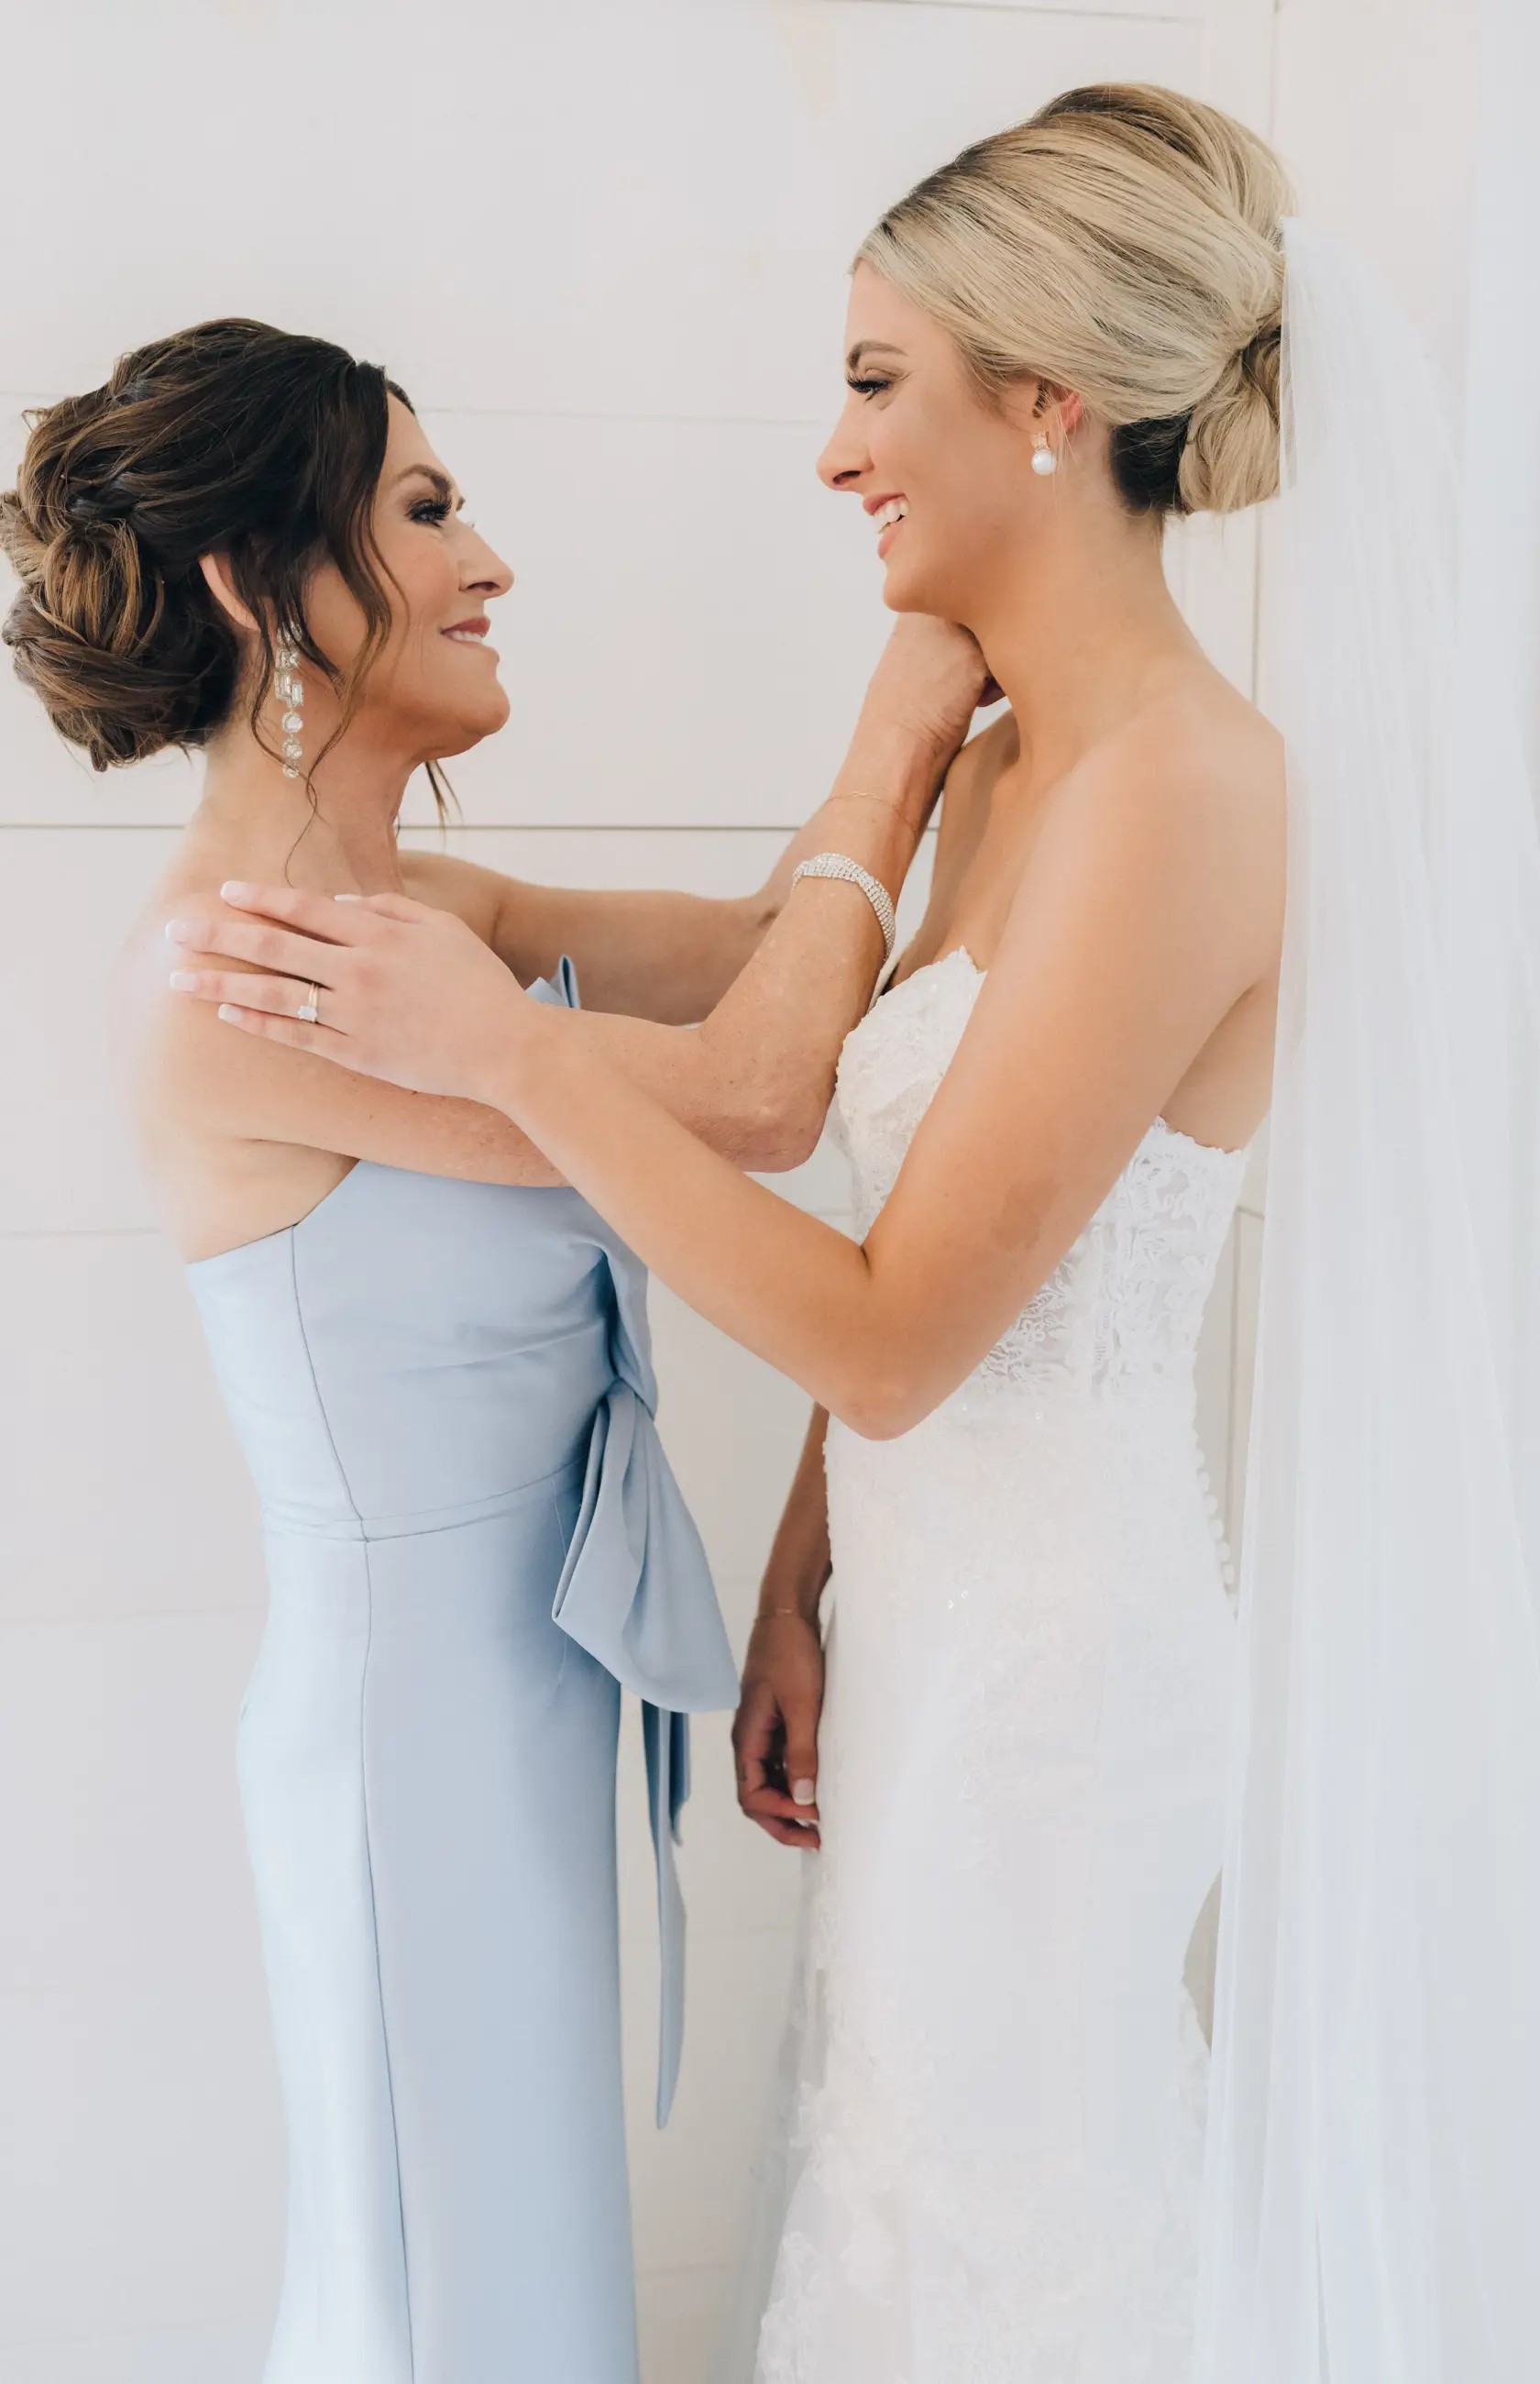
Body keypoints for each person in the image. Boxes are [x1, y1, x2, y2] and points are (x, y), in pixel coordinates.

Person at [172, 86, 1292, 2378]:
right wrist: (807, 1561)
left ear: (1054, 398)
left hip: (1059, 1674)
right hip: (930, 1618)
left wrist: (511, 1056)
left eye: (877, 383)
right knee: (892, 2215)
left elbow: (896, 1331)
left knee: (1018, 2245)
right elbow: (953, 1224)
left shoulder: (1185, 786)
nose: (831, 450)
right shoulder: (1001, 776)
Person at [0, 318, 987, 2381]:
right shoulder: (229, 977)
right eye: (429, 511)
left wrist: (987, 790)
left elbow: (771, 956)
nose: (492, 562)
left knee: (511, 2285)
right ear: (261, 589)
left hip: (513, 1715)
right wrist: (909, 713)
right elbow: (751, 1089)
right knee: (446, 2301)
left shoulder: (431, 908)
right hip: (407, 1750)